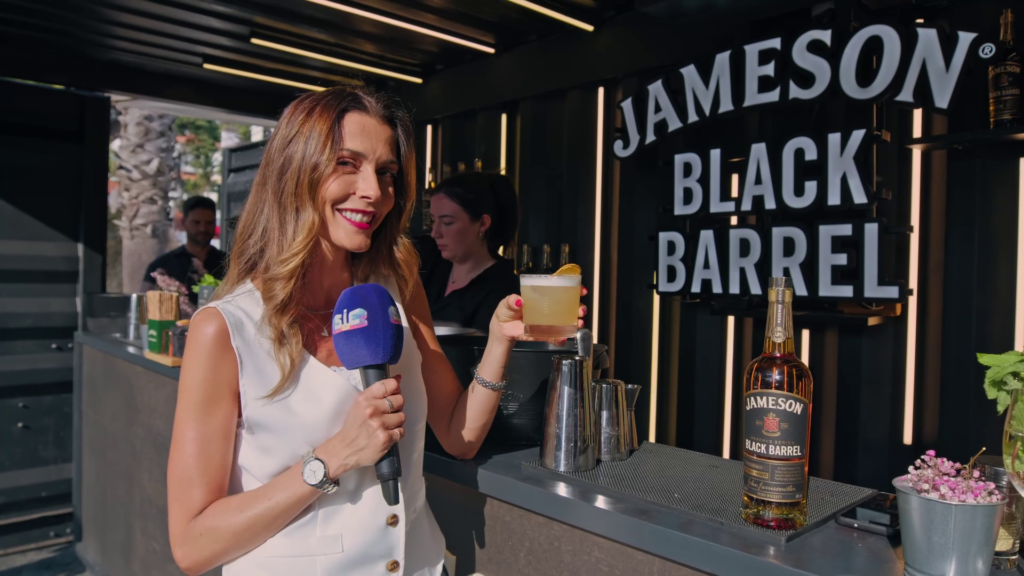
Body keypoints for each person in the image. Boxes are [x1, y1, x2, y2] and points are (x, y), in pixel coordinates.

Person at [165, 87, 586, 576]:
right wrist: (332, 458)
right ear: (294, 170)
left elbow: (459, 437)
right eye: (347, 163)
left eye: (386, 172)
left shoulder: (399, 283)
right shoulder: (225, 330)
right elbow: (193, 545)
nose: (375, 191)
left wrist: (499, 339)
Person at [419, 172, 521, 332]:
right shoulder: (426, 255)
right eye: (433, 220)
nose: (435, 233)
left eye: (447, 222)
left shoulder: (503, 289)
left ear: (482, 223)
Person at [141, 195, 225, 305]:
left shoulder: (229, 263)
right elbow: (145, 304)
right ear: (183, 222)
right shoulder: (162, 265)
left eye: (209, 223)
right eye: (196, 222)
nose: (203, 228)